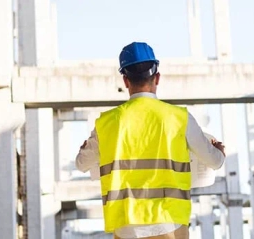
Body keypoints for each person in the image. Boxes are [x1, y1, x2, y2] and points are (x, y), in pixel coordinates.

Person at [75, 42, 226, 239]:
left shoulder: (106, 124)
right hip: (169, 223)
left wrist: (85, 149)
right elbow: (215, 161)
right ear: (157, 78)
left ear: (126, 81)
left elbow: (81, 164)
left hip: (126, 227)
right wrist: (220, 151)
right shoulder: (179, 118)